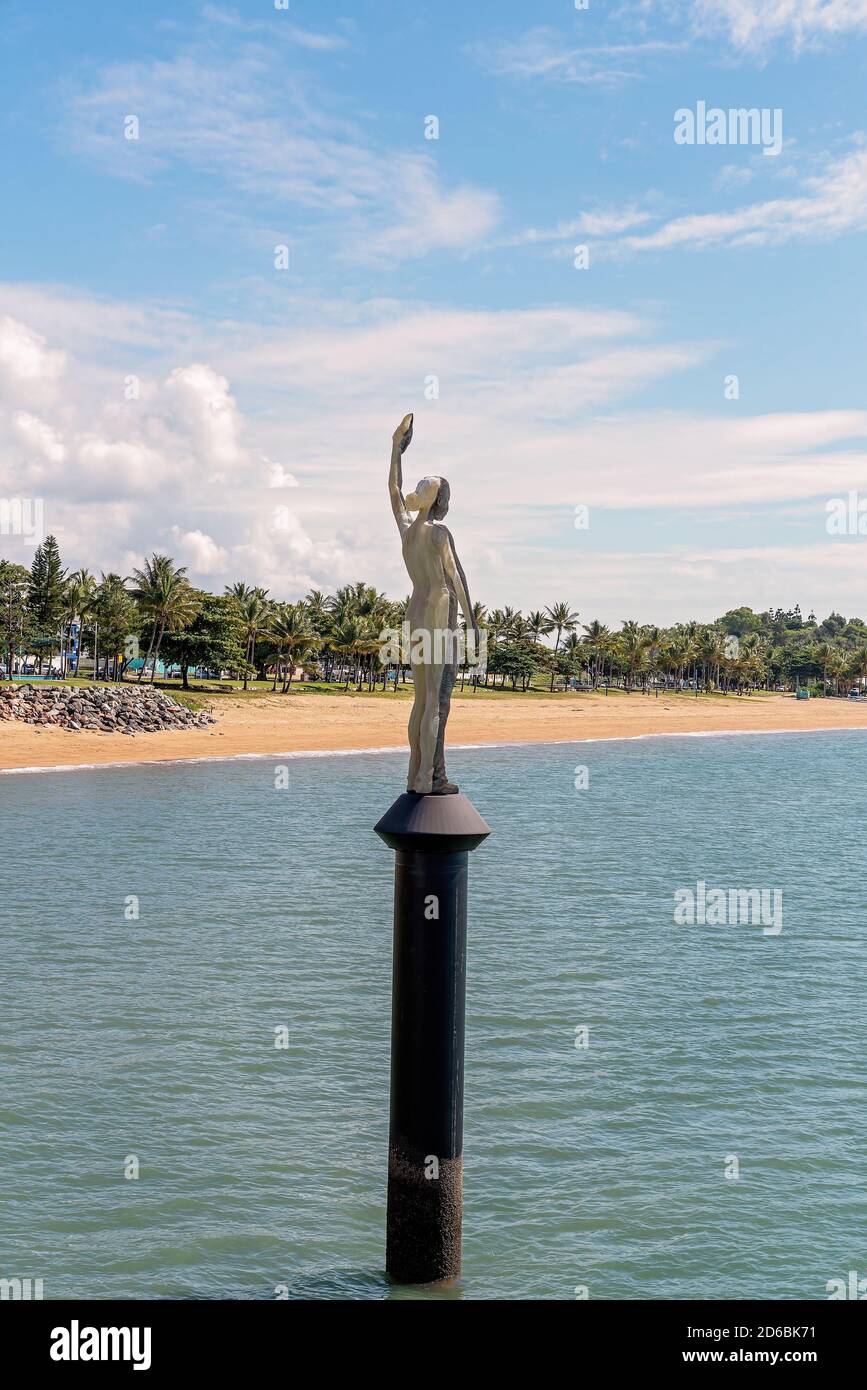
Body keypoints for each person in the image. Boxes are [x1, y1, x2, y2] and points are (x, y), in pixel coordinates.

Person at [389, 413, 477, 795]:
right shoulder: (439, 533)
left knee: (419, 699)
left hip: (414, 611)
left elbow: (394, 491)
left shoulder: (408, 531)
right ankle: (428, 778)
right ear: (441, 501)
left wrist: (396, 448)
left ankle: (414, 775)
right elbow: (457, 578)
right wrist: (472, 625)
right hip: (440, 613)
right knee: (435, 704)